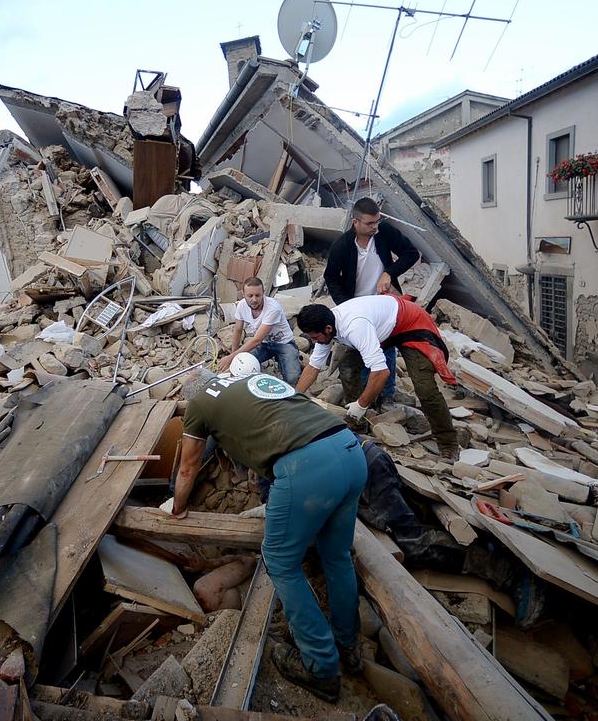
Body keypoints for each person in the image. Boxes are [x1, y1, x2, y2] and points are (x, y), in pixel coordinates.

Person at [167, 370, 367, 702]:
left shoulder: (199, 404)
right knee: (337, 556)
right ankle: (349, 645)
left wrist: (177, 508)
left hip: (305, 468)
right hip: (348, 449)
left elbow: (188, 467)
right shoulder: (253, 380)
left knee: (280, 562)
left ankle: (321, 667)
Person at [294, 295, 459, 459]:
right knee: (348, 367)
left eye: (315, 338)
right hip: (380, 327)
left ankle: (448, 444)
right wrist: (293, 397)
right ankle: (357, 423)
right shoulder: (325, 327)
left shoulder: (354, 327)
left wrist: (361, 404)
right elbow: (314, 366)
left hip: (410, 323)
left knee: (425, 388)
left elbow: (381, 372)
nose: (315, 342)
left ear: (328, 328)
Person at [323, 196, 420, 407]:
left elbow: (411, 253)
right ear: (355, 222)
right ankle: (364, 397)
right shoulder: (342, 246)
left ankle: (386, 396)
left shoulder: (384, 233)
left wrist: (389, 272)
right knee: (361, 352)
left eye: (377, 221)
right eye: (369, 223)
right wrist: (345, 305)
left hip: (382, 304)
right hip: (356, 306)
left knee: (386, 347)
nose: (375, 227)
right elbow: (330, 276)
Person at [217, 277, 301, 384]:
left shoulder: (273, 308)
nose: (254, 299)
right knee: (242, 367)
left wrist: (230, 357)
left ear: (263, 293)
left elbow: (256, 340)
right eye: (250, 296)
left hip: (283, 343)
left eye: (257, 295)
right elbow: (238, 330)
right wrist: (235, 357)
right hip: (264, 345)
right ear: (243, 294)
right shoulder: (242, 305)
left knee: (292, 378)